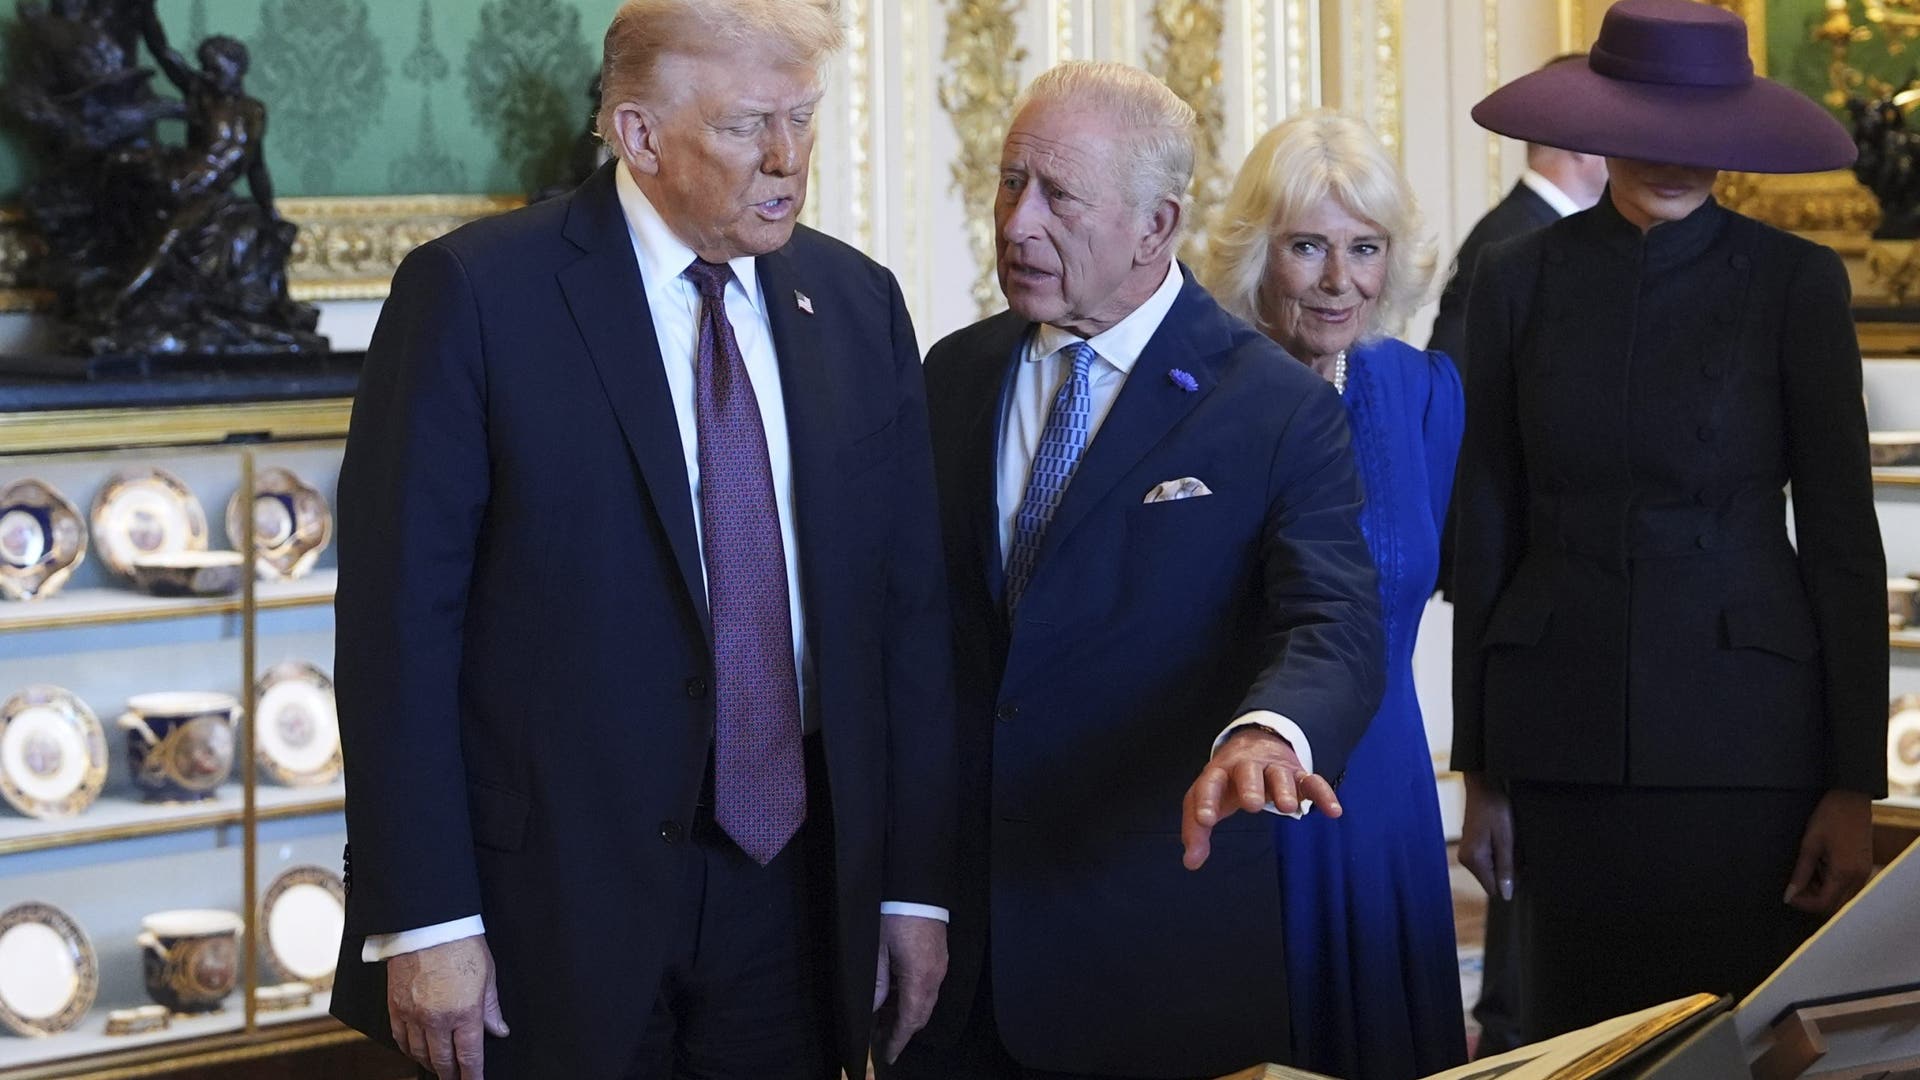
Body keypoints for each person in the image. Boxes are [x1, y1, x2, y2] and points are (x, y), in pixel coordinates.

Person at [328, 2, 958, 1078]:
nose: (786, 159)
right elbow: (397, 629)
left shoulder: (858, 304)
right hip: (552, 904)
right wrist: (426, 919)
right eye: (747, 125)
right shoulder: (478, 294)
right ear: (639, 135)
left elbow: (907, 616)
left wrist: (912, 885)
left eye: (803, 119)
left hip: (796, 893)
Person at [890, 61, 1385, 1080]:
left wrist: (1268, 728)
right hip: (952, 965)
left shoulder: (1273, 408)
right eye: (1008, 182)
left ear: (1156, 225)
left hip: (1153, 957)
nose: (1017, 222)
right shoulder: (951, 375)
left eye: (1058, 196)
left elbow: (1331, 618)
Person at [1455, 0, 1887, 1043]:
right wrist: (1482, 770)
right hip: (1562, 734)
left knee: (1733, 1037)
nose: (1677, 159)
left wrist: (1851, 783)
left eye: (1702, 134)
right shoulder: (1518, 280)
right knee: (1578, 1040)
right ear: (1601, 120)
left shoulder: (1797, 283)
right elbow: (1487, 522)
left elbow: (1840, 539)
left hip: (1749, 742)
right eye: (1652, 129)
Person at [1201, 109, 1467, 1080]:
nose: (1338, 280)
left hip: (1389, 790)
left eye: (1365, 249)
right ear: (1256, 253)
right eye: (1306, 246)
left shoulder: (1427, 393)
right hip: (1253, 788)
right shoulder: (1201, 394)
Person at [1424, 55, 1607, 1058]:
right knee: (1520, 857)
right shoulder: (1516, 246)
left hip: (1546, 587)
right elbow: (1465, 420)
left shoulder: (1541, 237)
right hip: (1531, 585)